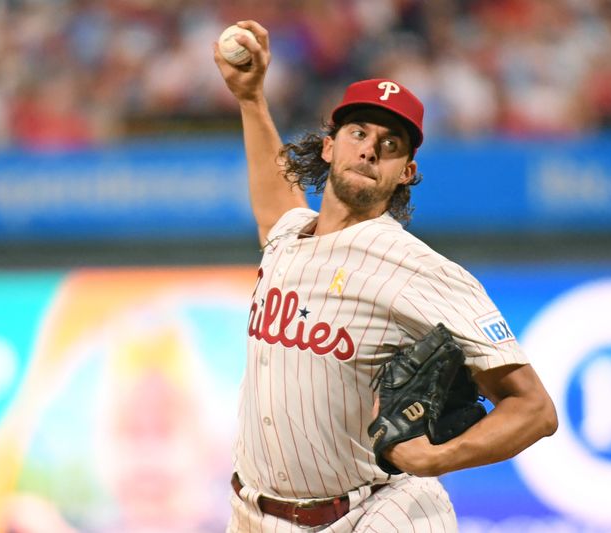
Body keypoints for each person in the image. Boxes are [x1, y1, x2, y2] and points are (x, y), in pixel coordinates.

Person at [213, 20, 558, 533]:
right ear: (329, 147)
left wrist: (439, 458)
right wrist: (250, 98)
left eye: (391, 143)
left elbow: (535, 410)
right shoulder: (289, 237)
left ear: (407, 172)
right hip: (252, 513)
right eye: (358, 133)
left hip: (370, 512)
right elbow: (274, 208)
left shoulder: (419, 270)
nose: (370, 149)